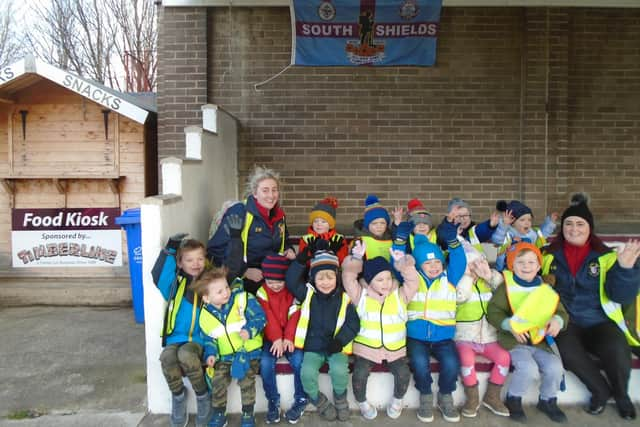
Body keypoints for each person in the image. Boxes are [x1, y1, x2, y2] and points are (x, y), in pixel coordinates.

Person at [541, 193, 640, 420]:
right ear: (562, 227)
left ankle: (622, 396)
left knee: (617, 348)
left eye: (579, 224)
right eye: (568, 224)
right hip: (567, 321)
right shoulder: (548, 255)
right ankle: (600, 391)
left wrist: (625, 270)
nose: (573, 229)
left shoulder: (606, 257)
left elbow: (621, 295)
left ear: (589, 228)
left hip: (599, 320)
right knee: (567, 353)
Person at [487, 242, 569, 423]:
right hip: (515, 342)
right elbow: (493, 311)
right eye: (520, 262)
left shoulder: (546, 289)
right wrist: (509, 324)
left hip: (540, 342)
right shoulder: (506, 287)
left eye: (531, 262)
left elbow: (560, 311)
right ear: (511, 265)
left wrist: (558, 320)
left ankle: (548, 400)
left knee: (555, 368)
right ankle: (514, 399)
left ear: (539, 266)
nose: (526, 266)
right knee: (528, 369)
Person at [342, 243, 419, 420]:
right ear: (369, 281)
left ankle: (397, 400)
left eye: (388, 278)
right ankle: (362, 402)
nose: (385, 283)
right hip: (366, 348)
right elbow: (348, 278)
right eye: (379, 279)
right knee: (359, 373)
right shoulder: (360, 295)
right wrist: (356, 260)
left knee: (403, 373)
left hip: (395, 349)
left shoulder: (400, 295)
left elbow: (413, 281)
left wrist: (403, 264)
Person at [286, 243, 360, 422]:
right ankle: (320, 402)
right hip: (313, 347)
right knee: (307, 373)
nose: (325, 282)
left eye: (330, 277)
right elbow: (291, 281)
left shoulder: (344, 298)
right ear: (313, 279)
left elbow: (353, 323)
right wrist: (300, 261)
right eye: (320, 278)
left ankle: (341, 400)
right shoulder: (308, 294)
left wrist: (340, 341)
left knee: (340, 371)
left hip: (336, 347)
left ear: (337, 277)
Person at [406, 217, 466, 423]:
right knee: (419, 363)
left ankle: (445, 395)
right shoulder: (412, 279)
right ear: (419, 265)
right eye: (427, 263)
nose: (433, 266)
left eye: (437, 262)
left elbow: (459, 259)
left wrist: (452, 240)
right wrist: (398, 242)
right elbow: (398, 267)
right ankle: (425, 395)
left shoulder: (449, 279)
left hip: (443, 337)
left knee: (451, 363)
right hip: (416, 337)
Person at [207, 166, 296, 295]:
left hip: (272, 279)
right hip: (244, 283)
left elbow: (284, 241)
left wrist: (290, 250)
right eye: (265, 190)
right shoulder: (239, 212)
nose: (271, 195)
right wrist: (244, 271)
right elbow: (215, 249)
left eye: (274, 190)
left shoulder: (278, 215)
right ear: (255, 193)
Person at [195, 267, 266, 427]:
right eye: (219, 292)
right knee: (217, 380)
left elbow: (261, 318)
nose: (226, 292)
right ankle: (220, 413)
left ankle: (248, 414)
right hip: (225, 356)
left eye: (226, 287)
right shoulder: (205, 315)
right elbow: (209, 338)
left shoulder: (243, 299)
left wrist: (250, 330)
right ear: (206, 298)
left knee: (246, 378)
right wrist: (211, 354)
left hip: (247, 352)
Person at [151, 236, 210, 427]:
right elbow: (159, 275)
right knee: (167, 358)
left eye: (200, 259)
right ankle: (178, 396)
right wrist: (170, 249)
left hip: (199, 340)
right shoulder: (174, 285)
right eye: (189, 260)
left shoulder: (209, 282)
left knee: (186, 355)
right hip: (175, 338)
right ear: (180, 262)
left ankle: (203, 396)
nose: (195, 264)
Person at [454, 251, 511, 418]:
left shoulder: (490, 280)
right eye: (471, 265)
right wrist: (467, 277)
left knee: (504, 358)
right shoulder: (459, 282)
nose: (475, 268)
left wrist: (488, 275)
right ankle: (472, 398)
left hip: (489, 336)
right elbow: (460, 297)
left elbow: (504, 292)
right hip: (465, 337)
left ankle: (492, 396)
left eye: (478, 264)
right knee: (466, 360)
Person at [256, 255, 308, 424]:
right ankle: (273, 400)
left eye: (279, 281)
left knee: (300, 360)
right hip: (271, 338)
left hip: (291, 337)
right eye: (270, 282)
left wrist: (288, 338)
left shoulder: (293, 290)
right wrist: (277, 338)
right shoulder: (262, 292)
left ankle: (301, 398)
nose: (275, 285)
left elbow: (295, 314)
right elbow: (267, 316)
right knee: (265, 363)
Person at [493, 199, 557, 271]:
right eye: (522, 220)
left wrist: (550, 222)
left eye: (529, 220)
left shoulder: (532, 233)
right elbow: (497, 240)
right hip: (507, 266)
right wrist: (504, 225)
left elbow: (542, 235)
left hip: (528, 265)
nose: (527, 223)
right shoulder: (507, 233)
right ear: (512, 223)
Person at [298, 196, 348, 265]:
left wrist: (334, 253)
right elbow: (303, 261)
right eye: (315, 221)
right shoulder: (306, 239)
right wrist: (312, 254)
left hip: (333, 270)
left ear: (330, 224)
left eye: (323, 222)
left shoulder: (339, 239)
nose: (319, 224)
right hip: (313, 271)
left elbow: (343, 261)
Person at [352, 194, 393, 261]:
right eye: (374, 223)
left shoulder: (391, 237)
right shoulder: (360, 240)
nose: (379, 226)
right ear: (368, 225)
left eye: (382, 223)